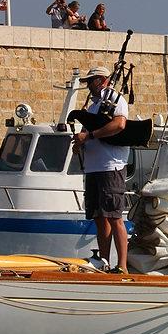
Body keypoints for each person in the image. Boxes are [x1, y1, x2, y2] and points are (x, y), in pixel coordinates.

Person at [72, 66, 129, 273]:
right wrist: (79, 143)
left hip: (110, 167)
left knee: (114, 216)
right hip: (94, 168)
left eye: (91, 81)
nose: (88, 85)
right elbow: (87, 132)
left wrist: (89, 137)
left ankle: (122, 265)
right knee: (99, 216)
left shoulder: (116, 100)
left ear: (101, 80)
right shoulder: (93, 107)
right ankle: (103, 262)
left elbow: (119, 125)